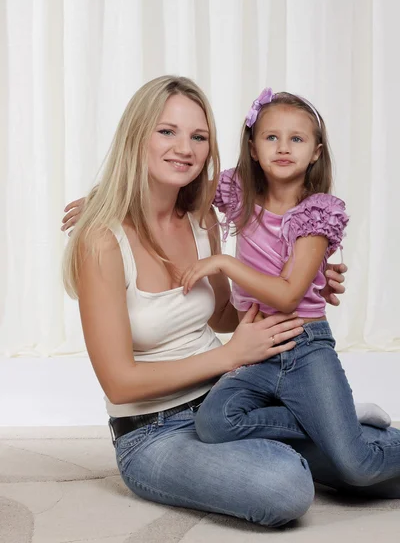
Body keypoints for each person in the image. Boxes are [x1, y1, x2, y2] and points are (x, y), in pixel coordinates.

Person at [60, 76, 394, 531]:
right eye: (167, 131)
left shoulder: (201, 221)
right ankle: (314, 429)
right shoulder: (101, 240)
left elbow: (226, 314)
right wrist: (230, 355)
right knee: (286, 487)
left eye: (198, 137)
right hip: (155, 435)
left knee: (363, 465)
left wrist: (301, 276)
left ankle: (325, 427)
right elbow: (119, 384)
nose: (185, 148)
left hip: (231, 403)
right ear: (137, 135)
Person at [178, 87, 400, 488]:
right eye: (271, 137)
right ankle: (336, 417)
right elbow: (178, 189)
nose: (283, 147)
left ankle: (341, 423)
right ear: (253, 146)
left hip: (305, 346)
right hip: (257, 346)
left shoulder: (316, 213)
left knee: (358, 468)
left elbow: (287, 295)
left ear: (315, 151)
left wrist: (224, 262)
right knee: (214, 423)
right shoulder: (239, 192)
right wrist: (109, 200)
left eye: (297, 138)